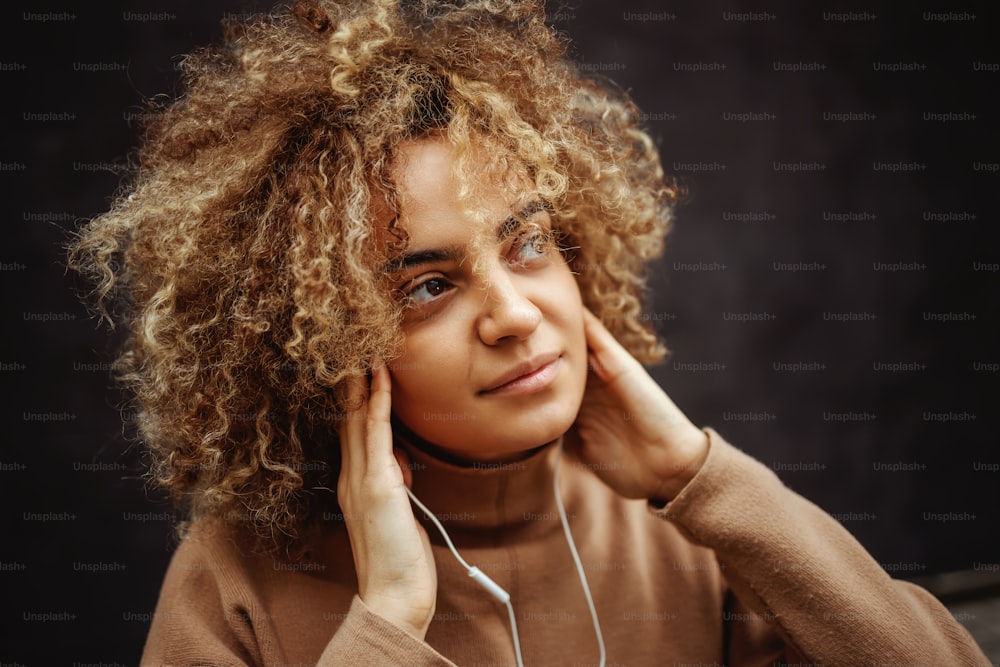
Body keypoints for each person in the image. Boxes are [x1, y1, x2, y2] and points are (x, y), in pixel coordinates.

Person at [69, 1, 990, 665]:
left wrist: (702, 479)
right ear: (318, 340)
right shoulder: (233, 580)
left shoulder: (686, 529)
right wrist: (389, 616)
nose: (513, 313)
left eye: (529, 243)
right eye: (428, 285)